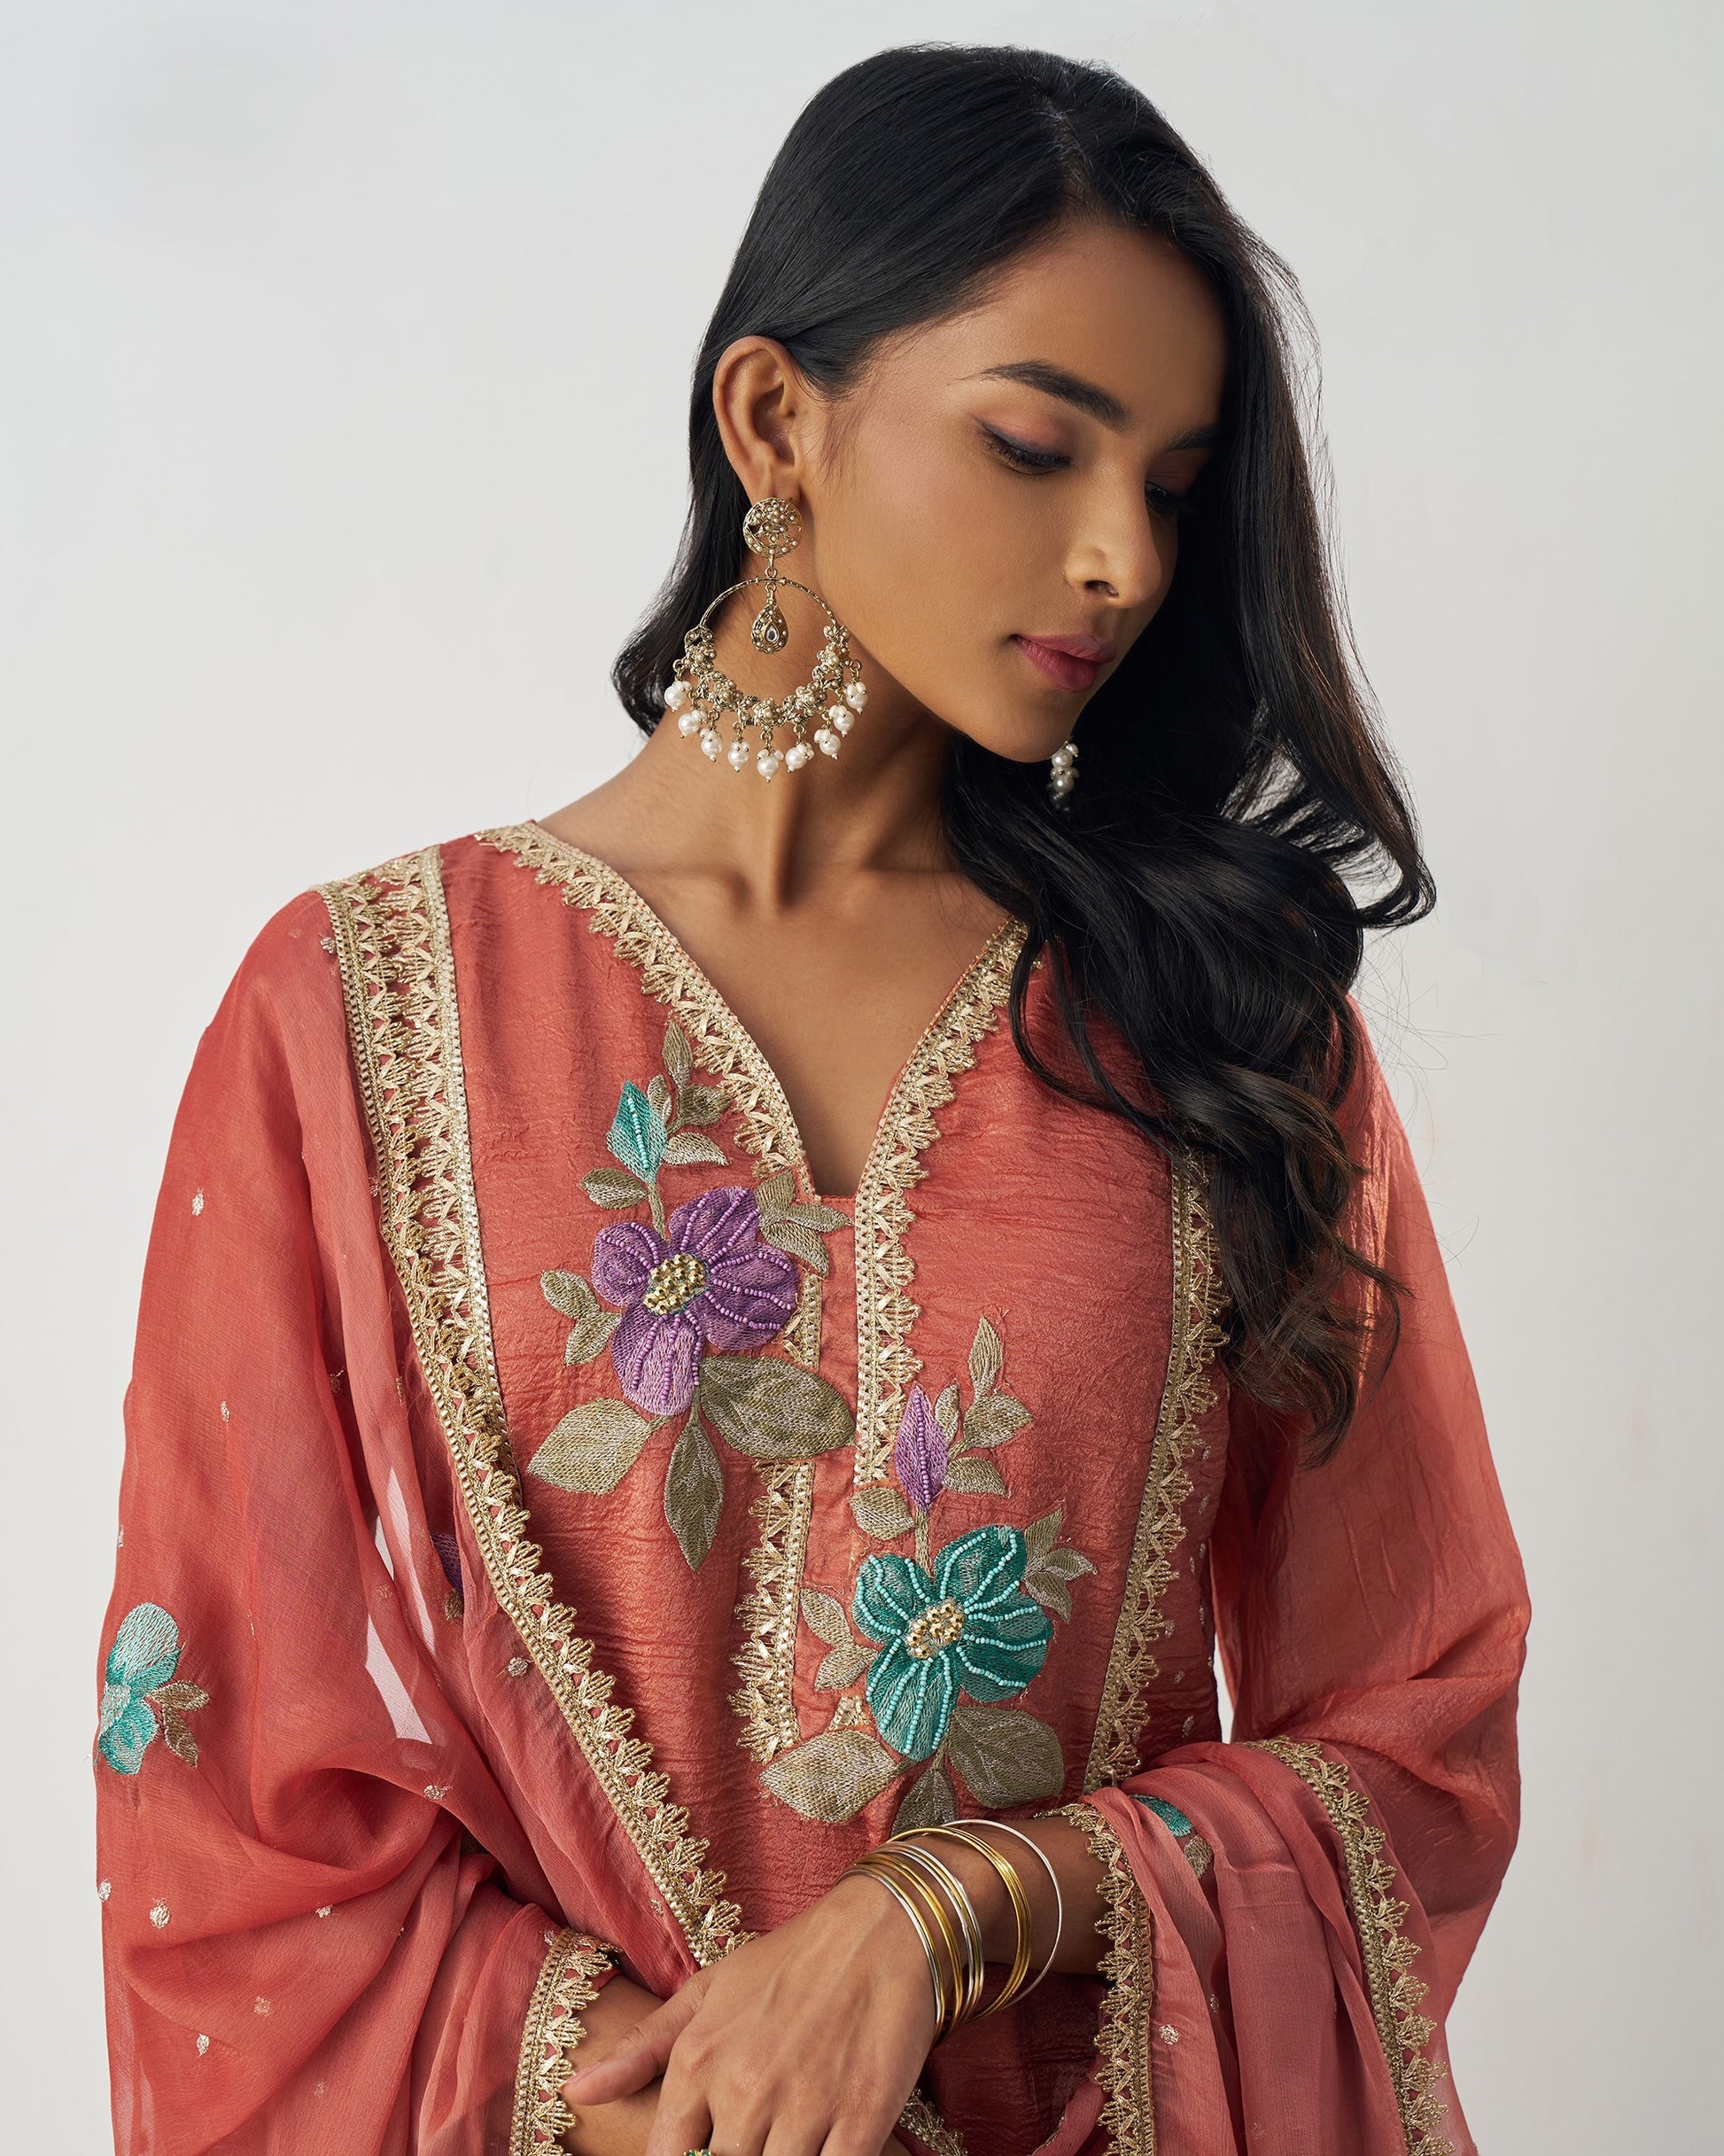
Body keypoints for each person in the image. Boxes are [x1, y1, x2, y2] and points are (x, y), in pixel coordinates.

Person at [95, 41, 1528, 2156]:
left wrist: (940, 1917)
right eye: (1038, 446)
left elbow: (1418, 1727)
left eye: (1175, 481)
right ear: (777, 416)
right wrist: (661, 2097)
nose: (1121, 555)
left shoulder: (1219, 1021)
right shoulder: (353, 1020)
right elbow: (231, 1813)